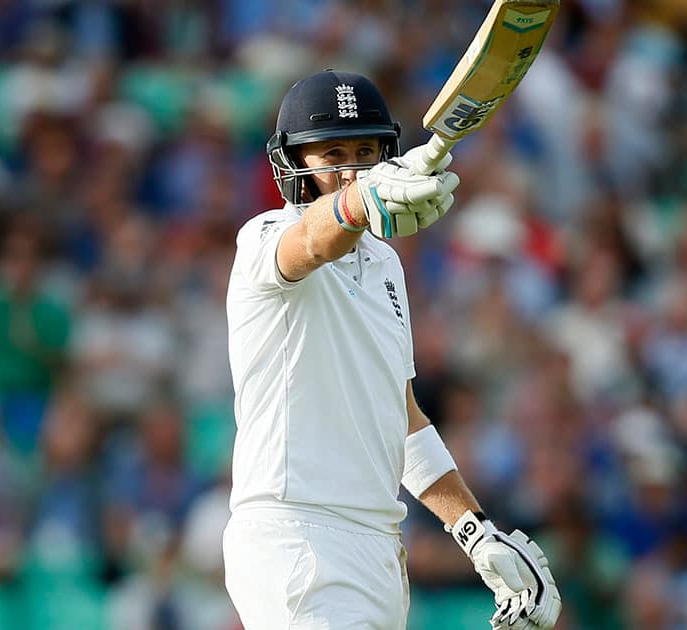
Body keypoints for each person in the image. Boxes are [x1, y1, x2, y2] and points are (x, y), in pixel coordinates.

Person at [222, 69, 561, 630]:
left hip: (379, 546)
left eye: (365, 152)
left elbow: (400, 418)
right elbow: (310, 241)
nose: (351, 169)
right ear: (295, 166)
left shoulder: (385, 266)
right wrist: (362, 200)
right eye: (332, 154)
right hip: (295, 534)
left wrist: (475, 533)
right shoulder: (263, 239)